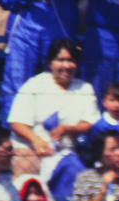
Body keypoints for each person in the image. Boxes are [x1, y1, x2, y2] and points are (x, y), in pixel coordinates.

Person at [0, 0, 79, 115]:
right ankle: (14, 134)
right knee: (17, 84)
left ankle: (55, 133)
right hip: (24, 28)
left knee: (57, 84)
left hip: (56, 27)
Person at [6, 38, 97, 193]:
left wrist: (66, 129)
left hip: (64, 152)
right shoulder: (34, 84)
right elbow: (16, 122)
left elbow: (88, 123)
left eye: (71, 60)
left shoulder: (84, 88)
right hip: (30, 150)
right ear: (50, 63)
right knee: (28, 179)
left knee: (74, 170)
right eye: (60, 60)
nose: (66, 66)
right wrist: (37, 141)